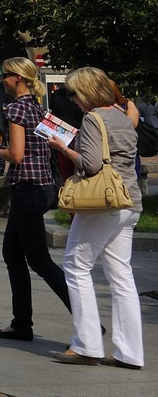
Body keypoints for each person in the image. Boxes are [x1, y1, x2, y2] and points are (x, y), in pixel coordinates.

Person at [45, 67, 143, 369]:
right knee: (121, 276)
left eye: (74, 93)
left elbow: (90, 165)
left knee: (76, 266)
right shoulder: (123, 116)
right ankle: (130, 353)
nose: (72, 99)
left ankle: (87, 345)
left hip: (103, 203)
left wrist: (63, 148)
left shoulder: (92, 119)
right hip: (129, 201)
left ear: (87, 92)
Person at [0, 56, 71, 343]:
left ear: (18, 79)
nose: (1, 80)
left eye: (4, 75)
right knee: (12, 254)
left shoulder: (15, 109)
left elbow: (16, 155)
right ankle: (21, 323)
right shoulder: (39, 108)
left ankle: (87, 320)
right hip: (43, 186)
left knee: (39, 260)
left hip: (27, 187)